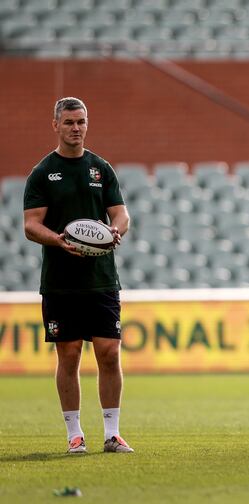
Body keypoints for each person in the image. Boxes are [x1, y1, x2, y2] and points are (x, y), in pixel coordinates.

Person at [23, 97, 133, 454]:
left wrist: (115, 230)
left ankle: (112, 433)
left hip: (101, 278)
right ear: (55, 124)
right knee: (68, 355)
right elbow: (30, 225)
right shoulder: (43, 173)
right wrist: (59, 240)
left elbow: (121, 214)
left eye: (81, 121)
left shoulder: (101, 169)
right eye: (69, 122)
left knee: (109, 353)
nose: (76, 128)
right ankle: (75, 434)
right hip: (61, 281)